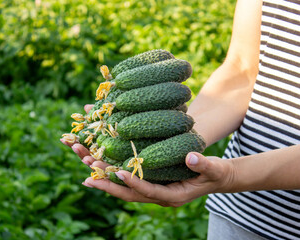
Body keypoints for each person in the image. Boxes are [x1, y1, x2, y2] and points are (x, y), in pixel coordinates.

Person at [61, 0, 300, 239]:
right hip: (238, 216)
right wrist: (178, 144)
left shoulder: (232, 176)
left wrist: (232, 175)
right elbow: (244, 71)